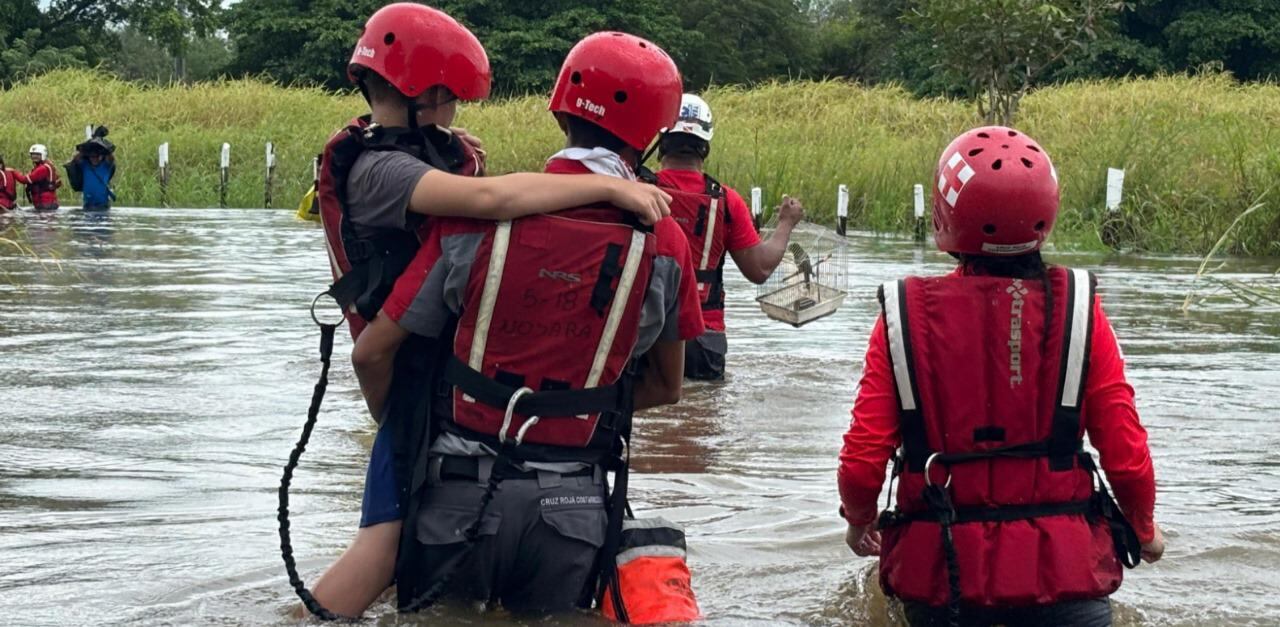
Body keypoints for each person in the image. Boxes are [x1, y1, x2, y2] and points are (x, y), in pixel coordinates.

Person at [301, 5, 674, 618]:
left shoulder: (396, 150)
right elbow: (493, 198)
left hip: (423, 370)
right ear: (425, 90)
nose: (455, 115)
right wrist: (610, 187)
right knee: (381, 546)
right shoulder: (385, 170)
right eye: (451, 100)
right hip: (413, 376)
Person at [838, 126, 1163, 627]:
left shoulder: (902, 316)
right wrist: (1144, 530)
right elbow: (1126, 454)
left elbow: (862, 461)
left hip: (943, 588)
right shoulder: (1082, 310)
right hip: (1068, 588)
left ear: (947, 215)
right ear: (1046, 212)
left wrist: (860, 522)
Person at [655, 94, 804, 380]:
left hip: (644, 330)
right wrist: (786, 223)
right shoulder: (726, 201)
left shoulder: (635, 188)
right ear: (705, 147)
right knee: (703, 418)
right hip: (704, 335)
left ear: (661, 144)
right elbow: (759, 269)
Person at [66, 126, 117, 210]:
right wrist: (88, 144)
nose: (94, 158)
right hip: (88, 204)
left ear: (101, 156)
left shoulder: (105, 166)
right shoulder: (85, 165)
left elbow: (110, 156)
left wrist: (99, 141)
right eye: (92, 156)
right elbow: (76, 158)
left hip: (102, 205)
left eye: (97, 156)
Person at [24, 144, 60, 211]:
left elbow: (25, 180)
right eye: (33, 154)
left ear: (43, 155)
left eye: (37, 154)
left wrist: (12, 172)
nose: (34, 156)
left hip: (45, 205)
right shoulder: (43, 167)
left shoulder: (42, 169)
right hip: (46, 204)